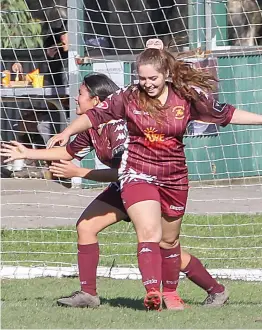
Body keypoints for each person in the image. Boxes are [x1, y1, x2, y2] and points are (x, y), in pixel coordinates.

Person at [46, 38, 262, 311]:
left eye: (153, 78)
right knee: (148, 231)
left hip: (174, 177)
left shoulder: (186, 97)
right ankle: (152, 292)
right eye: (142, 78)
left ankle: (206, 291)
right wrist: (67, 132)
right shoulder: (129, 96)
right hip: (138, 173)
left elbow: (227, 114)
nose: (146, 83)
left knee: (169, 241)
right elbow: (94, 116)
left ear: (166, 75)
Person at [1, 72, 228, 311]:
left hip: (146, 185)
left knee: (165, 246)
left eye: (80, 94)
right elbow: (66, 153)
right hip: (122, 189)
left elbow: (125, 171)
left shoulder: (120, 128)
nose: (76, 99)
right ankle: (88, 294)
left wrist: (81, 174)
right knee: (86, 227)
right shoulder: (92, 128)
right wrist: (26, 153)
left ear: (97, 101)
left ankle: (216, 290)